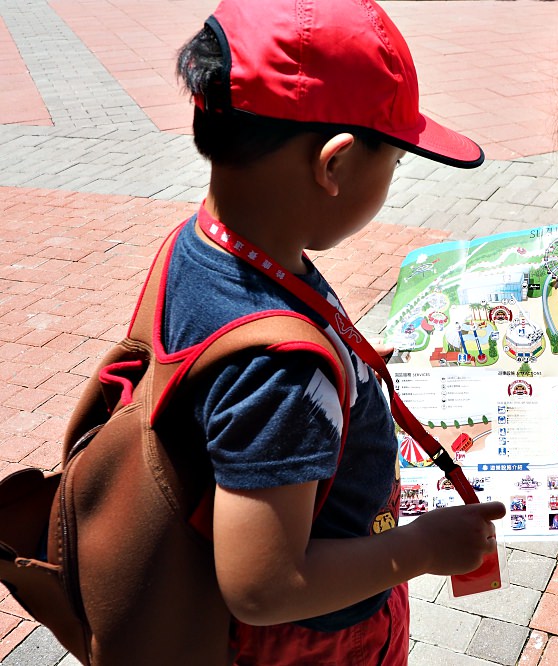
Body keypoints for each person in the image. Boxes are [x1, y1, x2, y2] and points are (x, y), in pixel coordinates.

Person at [171, 0, 505, 663]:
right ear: (335, 165)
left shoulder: (208, 244)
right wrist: (422, 549)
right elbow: (262, 586)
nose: (395, 179)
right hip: (319, 639)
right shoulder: (280, 370)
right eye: (397, 161)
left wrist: (346, 367)